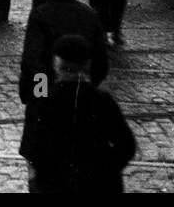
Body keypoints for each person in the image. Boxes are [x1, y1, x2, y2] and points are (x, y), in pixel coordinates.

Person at [18, 0, 109, 190]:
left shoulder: (40, 14)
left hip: (46, 100)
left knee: (39, 165)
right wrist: (87, 88)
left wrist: (41, 95)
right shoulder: (89, 14)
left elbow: (32, 60)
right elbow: (101, 62)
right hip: (81, 99)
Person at [21, 34, 136, 194]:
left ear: (56, 64)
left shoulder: (44, 102)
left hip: (56, 184)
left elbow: (34, 148)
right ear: (87, 63)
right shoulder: (102, 100)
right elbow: (127, 145)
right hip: (99, 184)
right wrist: (107, 169)